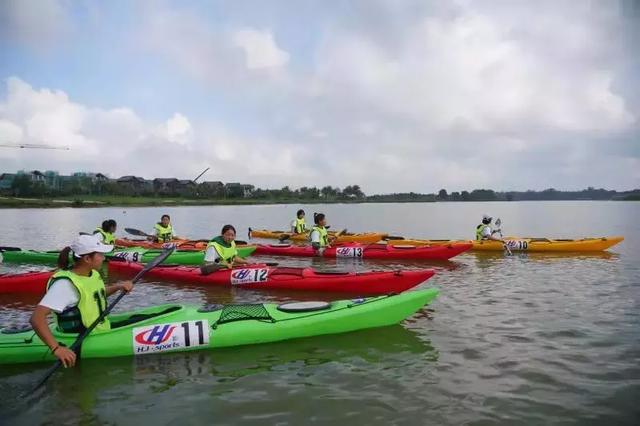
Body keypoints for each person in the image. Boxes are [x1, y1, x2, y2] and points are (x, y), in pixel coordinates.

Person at [29, 234, 134, 368]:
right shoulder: (65, 285)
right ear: (87, 258)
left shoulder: (92, 274)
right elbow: (36, 318)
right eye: (100, 254)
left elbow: (96, 295)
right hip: (82, 339)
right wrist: (56, 349)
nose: (103, 258)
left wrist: (118, 287)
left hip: (100, 330)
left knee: (141, 317)